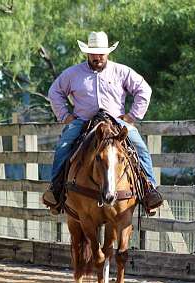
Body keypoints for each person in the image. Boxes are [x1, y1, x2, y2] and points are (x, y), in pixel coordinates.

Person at [42, 31, 163, 215]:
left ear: (108, 53)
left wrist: (131, 116)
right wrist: (65, 117)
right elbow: (54, 92)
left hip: (115, 121)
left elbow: (144, 90)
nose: (97, 56)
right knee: (64, 146)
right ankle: (56, 190)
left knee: (139, 147)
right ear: (87, 53)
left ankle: (149, 189)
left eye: (101, 53)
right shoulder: (73, 73)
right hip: (83, 121)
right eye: (93, 53)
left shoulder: (121, 71)